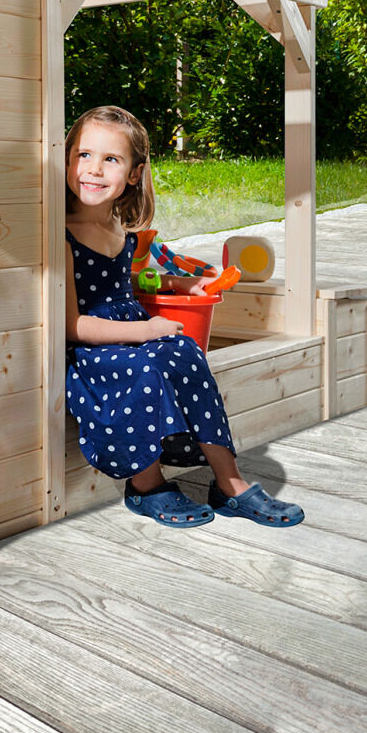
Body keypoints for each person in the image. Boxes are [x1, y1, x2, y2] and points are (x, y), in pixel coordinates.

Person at [65, 105, 304, 528]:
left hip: (133, 331)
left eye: (110, 159)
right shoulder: (61, 235)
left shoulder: (119, 229)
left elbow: (122, 281)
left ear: (134, 174)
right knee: (145, 367)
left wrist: (175, 282)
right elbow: (73, 324)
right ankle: (146, 485)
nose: (94, 169)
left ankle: (230, 483)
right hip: (92, 348)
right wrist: (145, 330)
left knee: (186, 351)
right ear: (66, 159)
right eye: (84, 155)